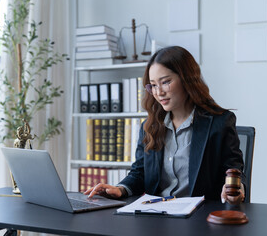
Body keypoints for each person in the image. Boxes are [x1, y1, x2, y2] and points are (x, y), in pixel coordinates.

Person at [85, 46, 245, 204]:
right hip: (157, 213)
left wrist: (235, 189)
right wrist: (120, 189)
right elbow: (139, 172)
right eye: (153, 85)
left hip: (199, 217)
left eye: (165, 82)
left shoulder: (220, 122)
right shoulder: (150, 126)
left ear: (187, 79)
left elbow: (234, 171)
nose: (158, 92)